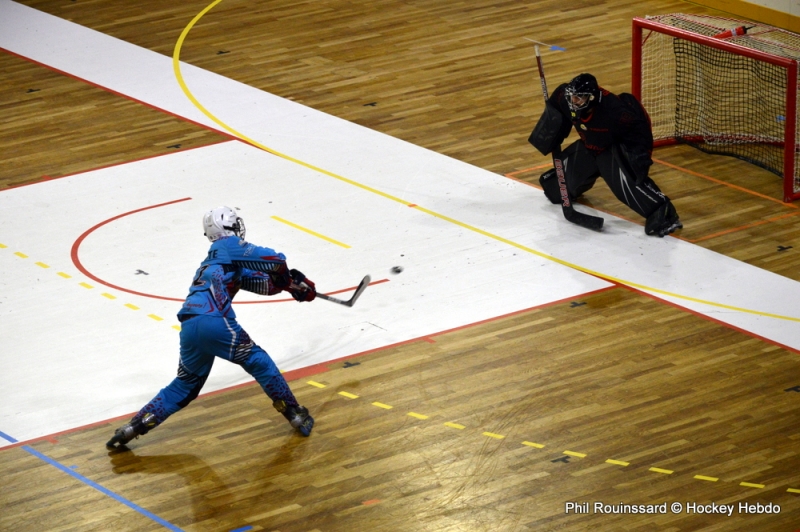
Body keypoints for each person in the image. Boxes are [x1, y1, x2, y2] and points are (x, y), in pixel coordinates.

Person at [106, 206, 317, 449]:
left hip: (190, 325)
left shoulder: (219, 261)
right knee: (259, 361)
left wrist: (293, 286)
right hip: (214, 320)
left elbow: (263, 285)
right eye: (236, 223)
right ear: (226, 228)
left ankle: (132, 428)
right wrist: (284, 277)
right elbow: (275, 260)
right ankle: (295, 413)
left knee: (184, 385)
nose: (239, 228)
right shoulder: (227, 246)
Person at [529, 73, 682, 237]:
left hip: (611, 151)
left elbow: (640, 128)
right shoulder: (563, 96)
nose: (573, 102)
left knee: (624, 186)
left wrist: (640, 158)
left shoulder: (616, 111)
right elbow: (555, 110)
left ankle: (663, 211)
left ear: (592, 98)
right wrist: (551, 132)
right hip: (590, 147)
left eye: (579, 99)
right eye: (572, 97)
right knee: (557, 191)